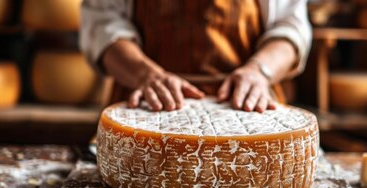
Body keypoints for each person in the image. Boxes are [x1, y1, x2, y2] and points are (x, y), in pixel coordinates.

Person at [80, 0, 311, 112]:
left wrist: (260, 70)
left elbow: (290, 26)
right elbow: (102, 23)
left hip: (249, 103)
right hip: (146, 101)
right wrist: (144, 74)